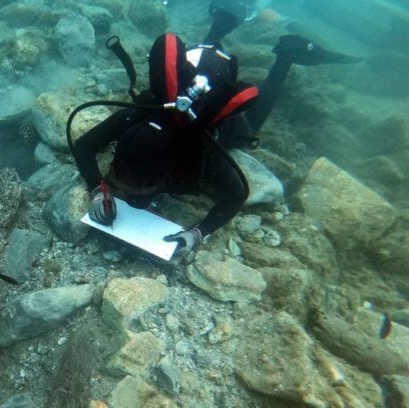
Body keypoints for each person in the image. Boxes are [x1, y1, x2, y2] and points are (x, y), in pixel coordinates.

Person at [72, 0, 360, 257]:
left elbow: (237, 196)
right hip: (195, 65)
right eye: (123, 183)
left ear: (168, 173)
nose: (127, 194)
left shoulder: (202, 151)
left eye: (137, 189)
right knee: (205, 53)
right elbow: (84, 145)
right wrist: (99, 188)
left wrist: (199, 232)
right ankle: (223, 20)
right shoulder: (137, 115)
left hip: (214, 76)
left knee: (252, 125)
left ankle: (285, 56)